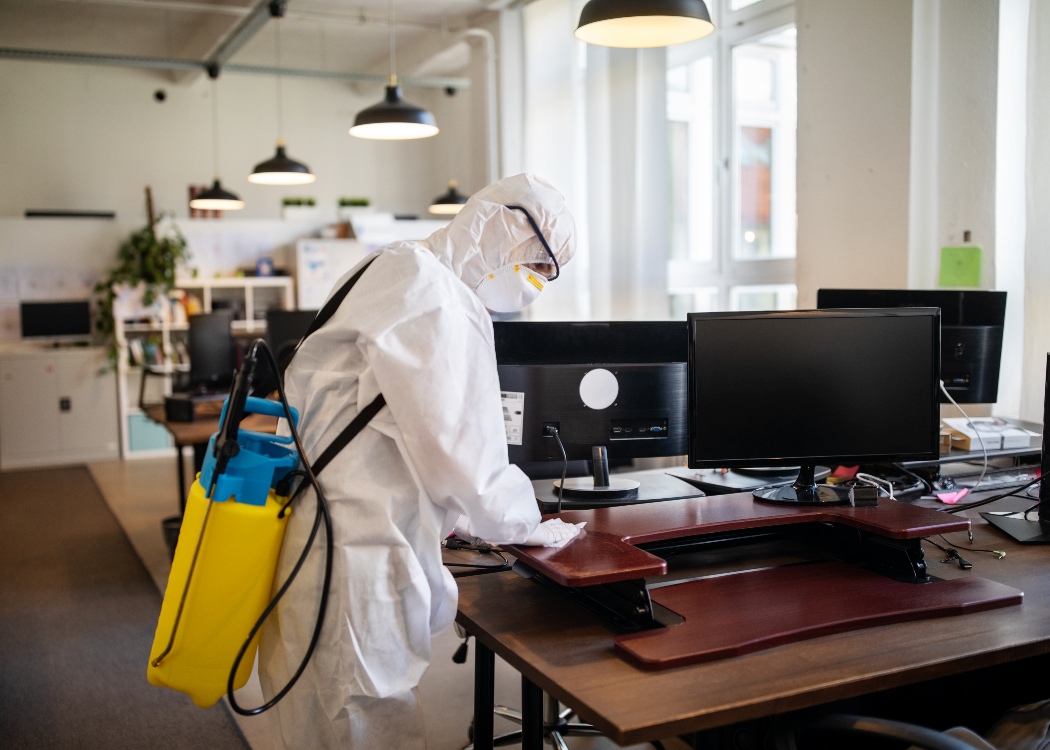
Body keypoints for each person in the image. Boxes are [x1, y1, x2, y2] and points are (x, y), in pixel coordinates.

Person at [258, 173, 582, 748]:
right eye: (538, 263)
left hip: (322, 532)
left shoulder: (396, 265)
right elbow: (466, 459)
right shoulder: (435, 297)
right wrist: (528, 525)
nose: (536, 283)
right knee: (359, 717)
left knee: (322, 721)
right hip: (355, 550)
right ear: (502, 225)